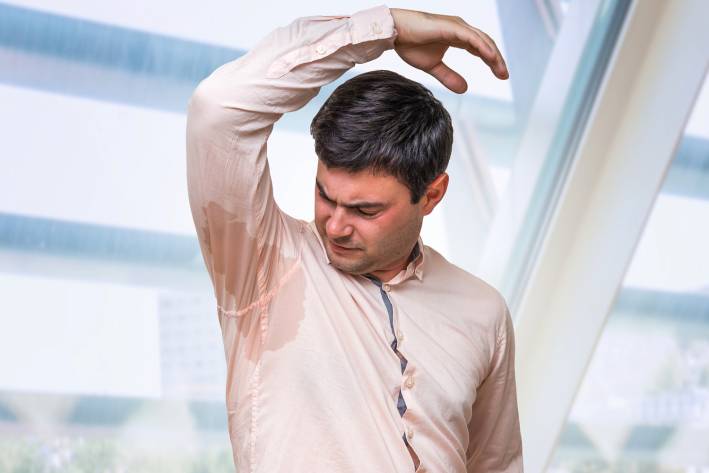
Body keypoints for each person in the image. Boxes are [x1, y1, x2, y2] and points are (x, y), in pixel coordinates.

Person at [186, 4, 522, 472]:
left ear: (431, 195)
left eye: (366, 210)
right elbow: (218, 108)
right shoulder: (263, 263)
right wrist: (386, 30)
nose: (336, 226)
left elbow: (496, 465)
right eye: (325, 196)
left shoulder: (483, 313)